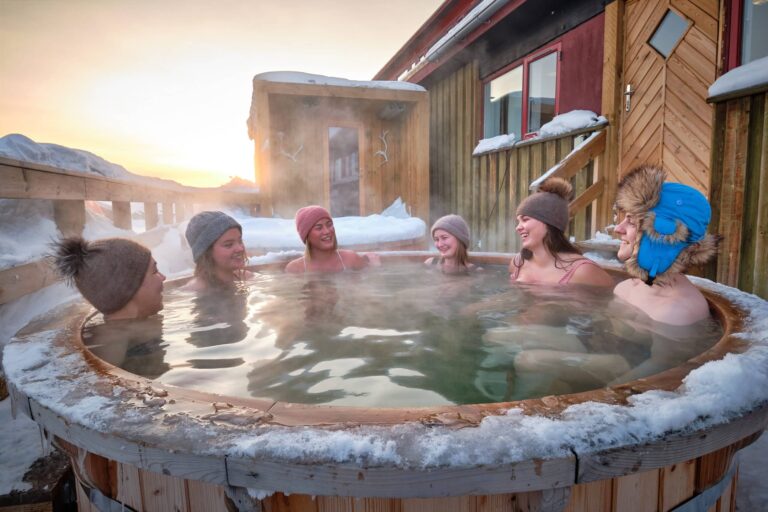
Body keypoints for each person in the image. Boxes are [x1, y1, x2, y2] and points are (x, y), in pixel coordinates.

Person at [613, 164, 720, 325]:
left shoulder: (676, 312)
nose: (618, 229)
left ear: (665, 237)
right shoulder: (624, 288)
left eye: (632, 223)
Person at [510, 177, 613, 287]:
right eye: (518, 221)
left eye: (525, 219)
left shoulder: (583, 271)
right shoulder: (518, 263)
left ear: (550, 222)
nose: (518, 227)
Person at [51, 236, 165, 320]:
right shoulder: (128, 349)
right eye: (155, 271)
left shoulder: (131, 338)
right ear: (127, 288)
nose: (163, 277)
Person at [285, 205, 380, 273]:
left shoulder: (351, 259)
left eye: (329, 225)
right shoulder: (295, 268)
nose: (327, 231)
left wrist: (375, 267)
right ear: (306, 236)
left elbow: (370, 288)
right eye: (319, 227)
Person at [184, 211, 251, 291]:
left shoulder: (247, 278)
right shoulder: (195, 289)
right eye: (228, 245)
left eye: (240, 241)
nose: (240, 248)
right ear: (207, 252)